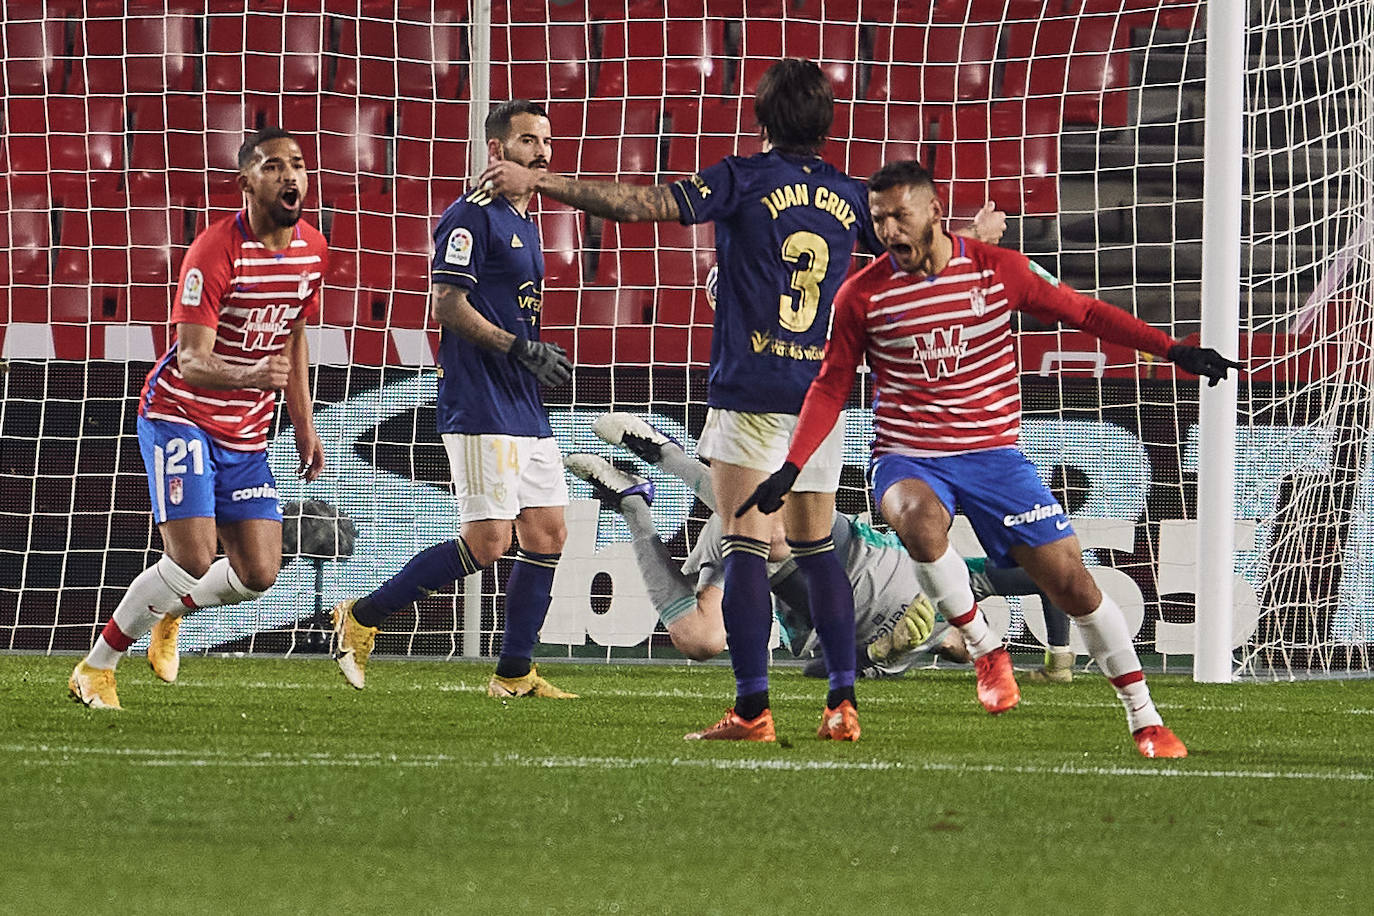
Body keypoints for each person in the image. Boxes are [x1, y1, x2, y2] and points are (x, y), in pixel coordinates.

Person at [482, 60, 1003, 742]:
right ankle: (841, 705)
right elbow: (919, 249)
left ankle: (753, 710)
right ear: (827, 125)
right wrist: (975, 240)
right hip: (819, 397)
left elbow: (641, 205)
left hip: (751, 390)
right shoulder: (852, 196)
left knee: (747, 546)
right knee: (817, 550)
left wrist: (542, 182)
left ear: (762, 121)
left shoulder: (741, 178)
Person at [740, 160, 1243, 758]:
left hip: (995, 457)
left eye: (900, 216)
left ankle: (1145, 718)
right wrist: (792, 466)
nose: (889, 231)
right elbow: (830, 384)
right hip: (909, 455)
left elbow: (1083, 312)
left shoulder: (997, 271)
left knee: (1074, 586)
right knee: (915, 518)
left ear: (935, 211)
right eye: (878, 220)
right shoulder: (862, 295)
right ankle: (984, 647)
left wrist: (1171, 349)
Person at [68, 127, 328, 709]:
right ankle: (96, 666)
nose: (289, 174)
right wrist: (252, 375)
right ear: (245, 183)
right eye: (272, 166)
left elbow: (294, 334)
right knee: (190, 556)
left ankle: (170, 613)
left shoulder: (313, 250)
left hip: (247, 431)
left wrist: (304, 423)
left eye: (297, 163)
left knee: (260, 573)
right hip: (180, 414)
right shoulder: (214, 252)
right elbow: (190, 360)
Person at [328, 100, 577, 700]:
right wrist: (519, 348)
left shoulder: (526, 220)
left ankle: (514, 674)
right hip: (480, 400)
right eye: (527, 140)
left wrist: (527, 358)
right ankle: (361, 616)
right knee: (489, 542)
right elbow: (446, 305)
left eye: (546, 141)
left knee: (547, 534)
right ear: (496, 149)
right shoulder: (470, 216)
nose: (541, 152)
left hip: (523, 403)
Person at [564, 411, 1073, 682]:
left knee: (700, 641)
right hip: (831, 543)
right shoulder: (966, 580)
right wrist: (1059, 659)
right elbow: (1051, 576)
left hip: (778, 576)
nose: (976, 650)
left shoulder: (900, 660)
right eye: (983, 648)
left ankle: (633, 506)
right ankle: (663, 453)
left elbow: (819, 667)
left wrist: (882, 650)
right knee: (775, 535)